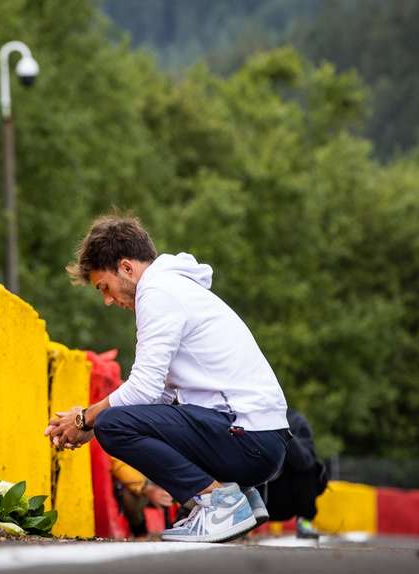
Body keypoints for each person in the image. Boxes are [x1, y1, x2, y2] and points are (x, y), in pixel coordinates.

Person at [44, 213, 291, 543]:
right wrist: (89, 421)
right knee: (119, 420)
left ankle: (219, 503)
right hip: (259, 438)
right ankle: (242, 494)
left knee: (113, 425)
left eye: (104, 287)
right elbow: (157, 397)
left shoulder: (158, 292)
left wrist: (85, 419)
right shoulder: (173, 287)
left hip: (249, 439)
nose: (106, 300)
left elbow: (143, 388)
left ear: (127, 268)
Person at [258, 409, 328, 539]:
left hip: (284, 495)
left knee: (313, 466)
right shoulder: (243, 416)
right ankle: (234, 522)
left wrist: (283, 433)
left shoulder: (296, 421)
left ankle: (305, 522)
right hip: (254, 492)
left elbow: (306, 461)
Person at [110, 456, 174, 538]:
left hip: (160, 482)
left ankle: (177, 524)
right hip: (138, 488)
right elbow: (119, 463)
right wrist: (145, 487)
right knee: (125, 492)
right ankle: (139, 530)